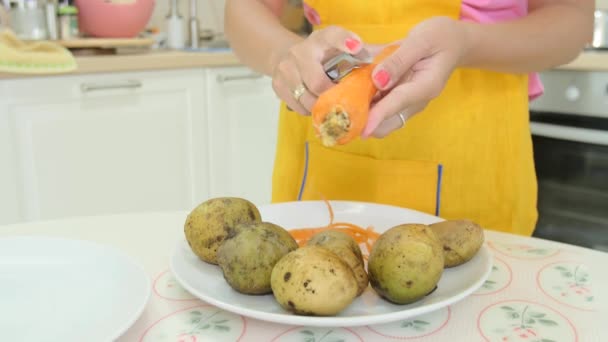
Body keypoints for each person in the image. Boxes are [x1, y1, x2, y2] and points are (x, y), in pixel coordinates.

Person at [224, 0, 593, 236]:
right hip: (326, 153)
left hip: (478, 159)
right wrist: (283, 55)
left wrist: (466, 42)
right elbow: (243, 9)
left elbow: (572, 19)